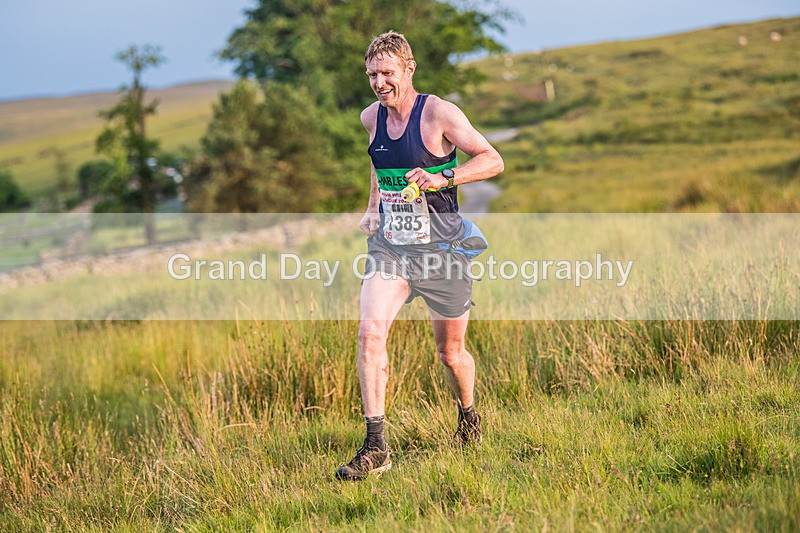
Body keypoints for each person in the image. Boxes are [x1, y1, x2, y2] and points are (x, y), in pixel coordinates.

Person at [335, 31, 504, 481]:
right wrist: (373, 208)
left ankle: (468, 416)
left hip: (443, 250)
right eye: (372, 74)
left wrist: (442, 176)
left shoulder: (440, 114)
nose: (378, 82)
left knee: (451, 354)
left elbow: (492, 160)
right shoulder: (370, 117)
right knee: (370, 332)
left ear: (409, 69)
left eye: (387, 73)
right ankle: (376, 447)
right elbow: (377, 162)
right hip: (392, 248)